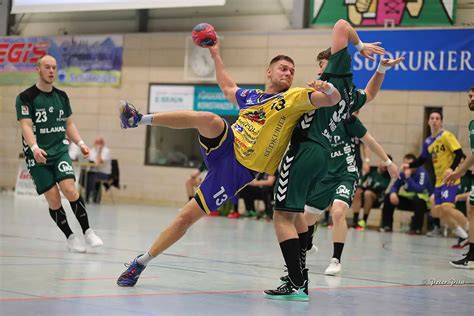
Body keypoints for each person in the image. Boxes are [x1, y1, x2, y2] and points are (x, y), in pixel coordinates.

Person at [116, 33, 342, 290]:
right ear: (269, 72)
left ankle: (141, 262)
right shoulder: (251, 97)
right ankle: (139, 119)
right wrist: (215, 53)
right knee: (210, 119)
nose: (288, 73)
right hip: (227, 144)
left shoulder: (294, 98)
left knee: (184, 219)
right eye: (283, 68)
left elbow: (331, 100)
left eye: (292, 70)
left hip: (237, 170)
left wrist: (329, 89)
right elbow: (227, 87)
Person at [265, 18, 401, 298]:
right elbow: (372, 93)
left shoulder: (332, 80)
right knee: (298, 216)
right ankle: (299, 274)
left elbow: (341, 24)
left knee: (281, 216)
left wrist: (360, 45)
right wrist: (381, 70)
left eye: (324, 63)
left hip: (305, 150)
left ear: (332, 64)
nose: (320, 69)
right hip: (323, 156)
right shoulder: (350, 95)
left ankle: (296, 280)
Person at [15, 55, 103, 253]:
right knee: (54, 199)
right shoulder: (25, 97)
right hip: (38, 155)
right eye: (47, 67)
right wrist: (35, 148)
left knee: (70, 190)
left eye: (54, 67)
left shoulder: (62, 96)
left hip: (60, 151)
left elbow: (69, 123)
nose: (51, 71)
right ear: (38, 69)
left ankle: (88, 231)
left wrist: (80, 143)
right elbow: (26, 126)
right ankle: (71, 238)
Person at [402, 110, 469, 246]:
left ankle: (471, 231)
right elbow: (421, 159)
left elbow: (459, 153)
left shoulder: (446, 136)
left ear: (441, 121)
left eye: (437, 118)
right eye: (432, 118)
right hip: (439, 181)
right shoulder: (428, 142)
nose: (434, 121)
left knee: (447, 209)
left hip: (450, 178)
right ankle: (464, 236)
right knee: (439, 213)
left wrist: (451, 168)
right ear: (428, 122)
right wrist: (408, 165)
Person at [444, 86, 474, 269]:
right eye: (469, 96)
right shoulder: (472, 124)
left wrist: (458, 172)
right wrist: (459, 172)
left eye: (473, 95)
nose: (470, 98)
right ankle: (472, 254)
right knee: (471, 208)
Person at [380, 153, 432, 234]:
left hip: (423, 202)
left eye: (408, 164)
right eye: (404, 163)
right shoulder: (403, 173)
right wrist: (393, 193)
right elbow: (395, 185)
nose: (406, 166)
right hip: (409, 201)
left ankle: (416, 229)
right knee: (388, 197)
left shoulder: (422, 173)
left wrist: (408, 178)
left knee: (419, 201)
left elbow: (419, 189)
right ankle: (387, 226)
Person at [352, 156, 392, 230]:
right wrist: (362, 179)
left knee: (368, 193)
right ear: (379, 161)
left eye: (387, 163)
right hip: (365, 195)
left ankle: (364, 220)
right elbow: (361, 181)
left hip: (377, 198)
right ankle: (355, 220)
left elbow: (380, 188)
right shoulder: (371, 170)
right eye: (384, 162)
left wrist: (368, 186)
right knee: (357, 191)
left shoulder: (387, 176)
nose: (385, 165)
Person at [85, 136, 112, 203]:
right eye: (96, 142)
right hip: (93, 171)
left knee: (92, 176)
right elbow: (89, 161)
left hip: (104, 173)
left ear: (103, 143)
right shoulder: (92, 150)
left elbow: (99, 162)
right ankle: (88, 195)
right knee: (85, 175)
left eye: (99, 143)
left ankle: (91, 194)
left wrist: (99, 151)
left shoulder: (106, 151)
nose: (97, 144)